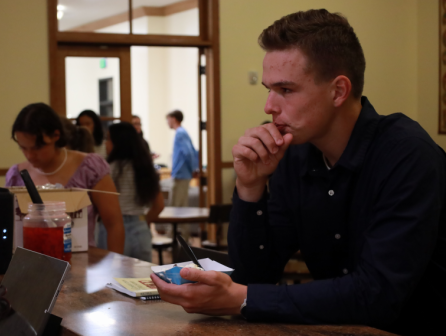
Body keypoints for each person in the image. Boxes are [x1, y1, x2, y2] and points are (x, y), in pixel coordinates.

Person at [151, 9, 446, 336]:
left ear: (338, 91)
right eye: (268, 89)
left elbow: (377, 295)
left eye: (286, 90)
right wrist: (251, 188)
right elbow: (255, 274)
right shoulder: (296, 154)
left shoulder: (406, 154)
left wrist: (244, 298)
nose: (269, 106)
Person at [5, 103, 124, 254]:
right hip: (31, 263)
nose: (29, 155)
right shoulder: (16, 175)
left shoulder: (89, 167)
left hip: (84, 263)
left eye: (36, 148)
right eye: (23, 147)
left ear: (56, 135)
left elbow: (114, 224)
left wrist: (116, 267)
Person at [96, 122, 165, 262]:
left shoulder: (108, 169)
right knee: (140, 280)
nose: (105, 143)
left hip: (112, 229)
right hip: (140, 228)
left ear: (118, 142)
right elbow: (159, 205)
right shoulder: (144, 168)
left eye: (108, 139)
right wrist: (144, 221)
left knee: (111, 279)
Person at [165, 110, 198, 240]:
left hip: (181, 175)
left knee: (176, 208)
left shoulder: (180, 133)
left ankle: (174, 239)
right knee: (181, 207)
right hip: (182, 174)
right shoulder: (183, 132)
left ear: (173, 119)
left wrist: (192, 169)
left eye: (168, 119)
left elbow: (188, 153)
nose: (167, 122)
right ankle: (182, 238)